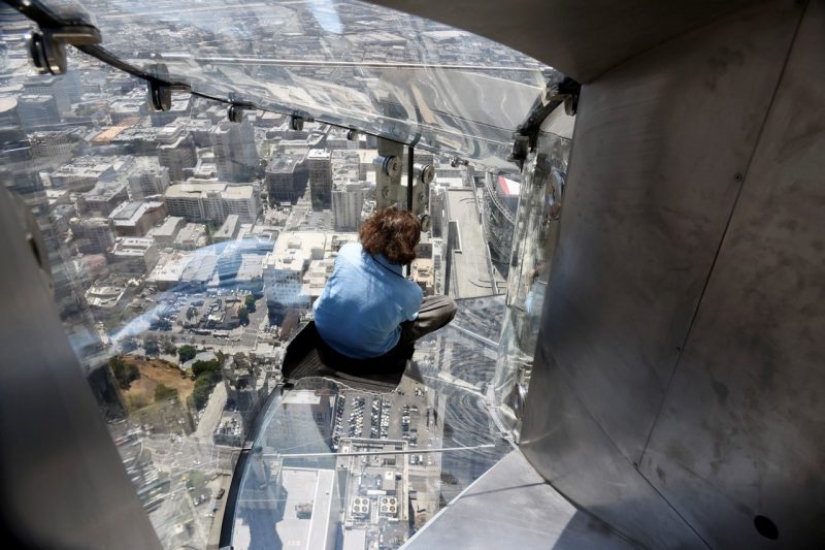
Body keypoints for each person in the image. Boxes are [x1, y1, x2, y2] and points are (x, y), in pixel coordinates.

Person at [313, 207, 456, 360]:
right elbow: (408, 319)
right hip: (368, 354)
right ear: (409, 248)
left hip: (323, 333)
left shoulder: (347, 252)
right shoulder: (410, 292)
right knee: (447, 306)